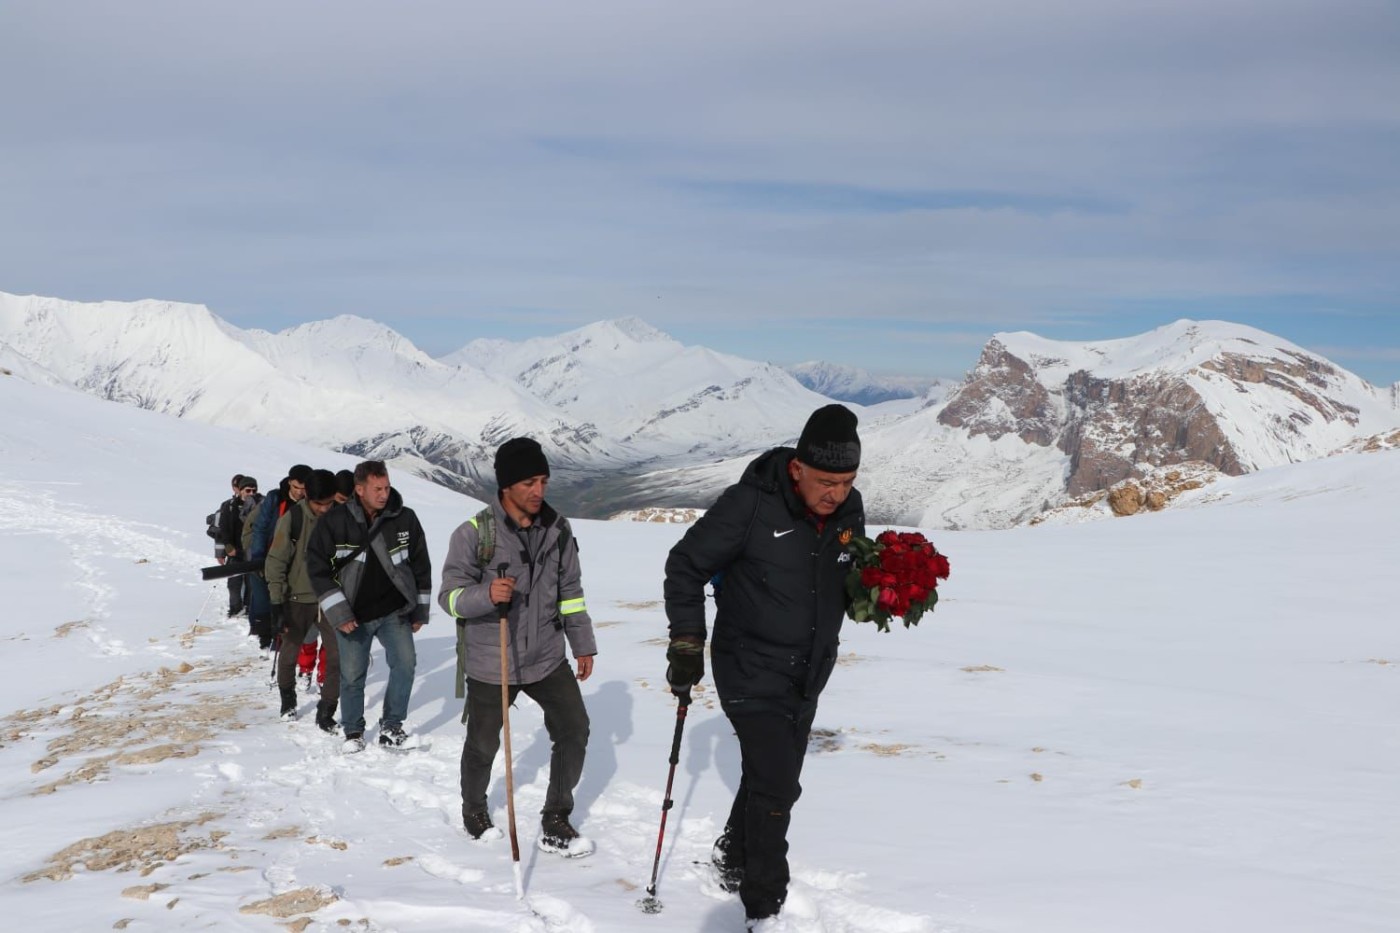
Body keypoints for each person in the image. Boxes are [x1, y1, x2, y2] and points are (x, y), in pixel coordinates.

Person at [662, 404, 865, 928]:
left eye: (846, 482)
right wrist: (686, 642)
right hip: (747, 663)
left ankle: (733, 854)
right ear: (797, 468)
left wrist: (884, 589)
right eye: (826, 482)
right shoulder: (749, 505)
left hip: (809, 671)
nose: (835, 494)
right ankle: (763, 908)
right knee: (778, 786)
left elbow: (842, 576)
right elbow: (685, 565)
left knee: (768, 774)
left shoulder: (849, 511)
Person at [438, 437, 597, 855]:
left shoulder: (559, 531)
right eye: (529, 482)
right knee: (483, 744)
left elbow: (571, 592)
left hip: (547, 656)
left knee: (574, 730)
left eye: (543, 481)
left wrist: (583, 643)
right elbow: (450, 598)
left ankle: (556, 815)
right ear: (506, 486)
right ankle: (473, 809)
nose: (538, 491)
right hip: (493, 661)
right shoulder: (474, 534)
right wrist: (487, 594)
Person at [306, 460, 432, 753]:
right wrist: (339, 613)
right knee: (352, 675)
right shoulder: (334, 521)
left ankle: (392, 726)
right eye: (377, 488)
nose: (384, 494)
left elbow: (421, 564)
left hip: (394, 611)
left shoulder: (405, 518)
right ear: (359, 489)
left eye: (386, 487)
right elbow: (316, 568)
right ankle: (353, 731)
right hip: (352, 614)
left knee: (406, 664)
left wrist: (419, 610)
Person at [265, 469, 342, 732]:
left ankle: (327, 710)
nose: (324, 509)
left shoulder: (340, 518)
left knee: (336, 657)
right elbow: (275, 561)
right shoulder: (293, 519)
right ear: (308, 496)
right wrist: (276, 602)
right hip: (297, 598)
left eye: (329, 503)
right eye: (319, 503)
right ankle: (288, 700)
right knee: (288, 655)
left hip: (331, 598)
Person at [246, 464, 312, 651]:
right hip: (268, 554)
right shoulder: (275, 498)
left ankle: (280, 636)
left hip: (294, 559)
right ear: (290, 482)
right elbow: (260, 528)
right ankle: (264, 634)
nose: (300, 492)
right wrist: (258, 558)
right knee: (262, 597)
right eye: (296, 488)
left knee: (285, 598)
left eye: (303, 489)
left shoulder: (310, 502)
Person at [213, 473, 248, 616]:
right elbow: (220, 531)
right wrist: (220, 553)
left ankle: (248, 607)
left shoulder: (258, 504)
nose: (238, 489)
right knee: (234, 582)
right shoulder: (227, 506)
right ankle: (235, 608)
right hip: (233, 550)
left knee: (250, 582)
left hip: (249, 550)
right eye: (236, 486)